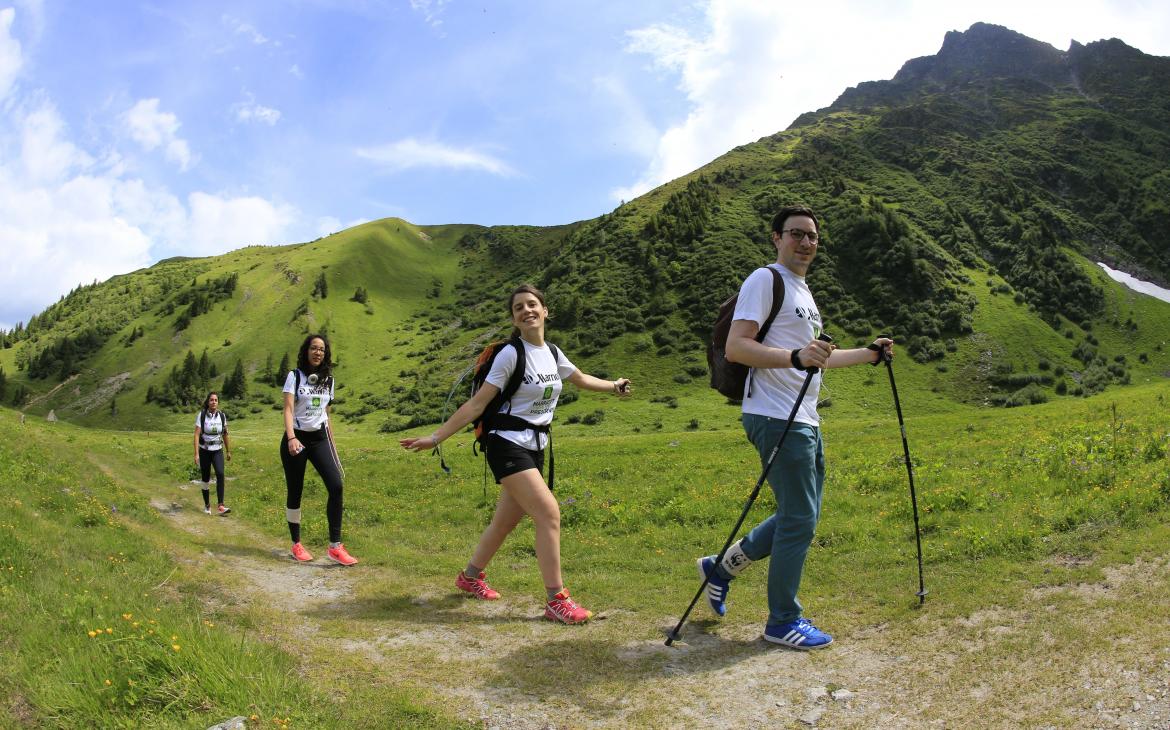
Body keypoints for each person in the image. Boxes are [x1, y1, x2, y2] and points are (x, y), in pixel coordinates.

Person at [696, 205, 894, 649]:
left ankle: (721, 567)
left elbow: (815, 358)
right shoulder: (765, 280)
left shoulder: (802, 290)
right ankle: (782, 620)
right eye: (796, 234)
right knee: (800, 518)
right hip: (774, 415)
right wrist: (793, 357)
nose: (805, 242)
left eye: (812, 237)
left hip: (803, 416)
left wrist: (869, 353)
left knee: (799, 515)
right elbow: (737, 347)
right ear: (776, 238)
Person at [401, 284, 632, 624]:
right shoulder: (511, 353)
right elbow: (478, 403)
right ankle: (556, 600)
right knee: (549, 514)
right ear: (514, 318)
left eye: (532, 304)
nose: (527, 310)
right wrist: (437, 437)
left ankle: (470, 576)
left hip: (535, 446)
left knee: (506, 521)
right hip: (506, 443)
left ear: (545, 311)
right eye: (519, 308)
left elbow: (580, 379)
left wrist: (614, 386)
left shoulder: (552, 353)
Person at [281, 334, 358, 566]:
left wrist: (332, 443)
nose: (318, 353)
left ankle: (335, 547)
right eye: (314, 348)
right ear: (306, 351)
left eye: (322, 350)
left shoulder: (329, 381)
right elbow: (287, 409)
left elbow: (326, 414)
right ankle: (296, 543)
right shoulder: (295, 377)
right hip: (297, 438)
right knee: (296, 490)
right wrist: (291, 437)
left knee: (336, 485)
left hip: (320, 438)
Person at [194, 391, 232, 515]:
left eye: (216, 400)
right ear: (208, 402)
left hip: (217, 450)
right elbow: (196, 434)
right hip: (204, 451)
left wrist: (228, 451)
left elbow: (225, 434)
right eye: (211, 400)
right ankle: (207, 505)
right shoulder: (202, 415)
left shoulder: (222, 416)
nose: (214, 402)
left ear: (218, 402)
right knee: (205, 479)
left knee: (220, 474)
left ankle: (221, 505)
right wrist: (196, 454)